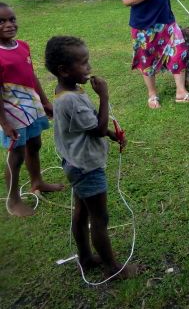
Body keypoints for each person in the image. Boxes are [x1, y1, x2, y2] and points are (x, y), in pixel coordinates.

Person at [45, 36, 138, 278]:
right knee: (99, 217)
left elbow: (90, 126)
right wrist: (104, 96)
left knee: (81, 212)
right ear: (63, 70)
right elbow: (95, 128)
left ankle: (86, 257)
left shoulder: (67, 90)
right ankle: (112, 267)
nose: (89, 67)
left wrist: (110, 134)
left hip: (74, 163)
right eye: (83, 63)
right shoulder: (72, 101)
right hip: (86, 167)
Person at [0, 3, 64, 217]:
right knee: (16, 155)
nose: (9, 24)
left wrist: (45, 101)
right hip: (11, 112)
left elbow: (31, 76)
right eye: (2, 21)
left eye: (12, 19)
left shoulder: (23, 46)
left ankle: (37, 181)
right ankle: (13, 200)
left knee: (35, 144)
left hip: (31, 106)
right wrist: (4, 123)